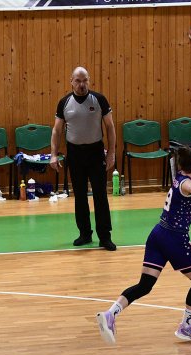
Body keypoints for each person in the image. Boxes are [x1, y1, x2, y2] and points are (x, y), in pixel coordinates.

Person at [96, 96, 191, 345]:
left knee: (145, 284)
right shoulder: (187, 183)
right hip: (174, 238)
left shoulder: (181, 173)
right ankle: (186, 325)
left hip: (158, 234)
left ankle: (111, 313)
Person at [50, 66, 117, 250]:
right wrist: (54, 154)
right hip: (75, 154)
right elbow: (56, 130)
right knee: (79, 196)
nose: (81, 84)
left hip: (96, 153)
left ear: (89, 80)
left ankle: (105, 237)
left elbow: (110, 127)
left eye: (85, 80)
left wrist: (111, 153)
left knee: (100, 195)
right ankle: (85, 234)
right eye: (78, 80)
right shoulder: (64, 103)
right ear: (71, 81)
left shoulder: (99, 100)